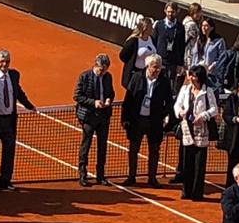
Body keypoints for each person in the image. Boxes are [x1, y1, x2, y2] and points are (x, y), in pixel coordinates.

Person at [0, 50, 33, 192]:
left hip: (9, 120)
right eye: (1, 61)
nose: (4, 64)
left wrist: (29, 105)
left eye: (7, 62)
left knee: (9, 151)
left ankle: (5, 180)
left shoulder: (14, 75)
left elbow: (18, 92)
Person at [121, 54, 174, 187]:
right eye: (154, 67)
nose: (157, 70)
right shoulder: (136, 78)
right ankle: (131, 176)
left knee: (154, 150)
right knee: (133, 149)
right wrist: (125, 119)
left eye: (159, 68)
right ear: (147, 66)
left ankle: (152, 178)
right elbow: (128, 100)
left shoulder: (164, 81)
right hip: (137, 120)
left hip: (154, 121)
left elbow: (168, 102)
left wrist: (164, 116)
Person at [173, 66, 219, 202]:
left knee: (199, 165)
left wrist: (203, 116)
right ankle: (186, 191)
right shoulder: (185, 89)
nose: (191, 78)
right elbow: (177, 105)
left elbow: (214, 109)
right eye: (190, 75)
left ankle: (197, 193)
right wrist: (180, 112)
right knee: (187, 162)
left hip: (201, 131)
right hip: (187, 129)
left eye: (194, 76)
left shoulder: (208, 91)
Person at [73, 53, 115, 186]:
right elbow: (77, 96)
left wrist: (109, 99)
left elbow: (111, 93)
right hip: (88, 116)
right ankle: (82, 174)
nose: (102, 72)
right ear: (95, 65)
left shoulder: (108, 77)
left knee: (102, 146)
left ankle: (100, 175)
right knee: (86, 145)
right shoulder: (84, 76)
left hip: (103, 116)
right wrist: (93, 102)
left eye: (105, 69)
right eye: (101, 69)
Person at [119, 16, 158, 89]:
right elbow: (123, 56)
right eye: (150, 27)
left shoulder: (151, 39)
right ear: (144, 28)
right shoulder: (133, 41)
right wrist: (131, 63)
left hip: (147, 73)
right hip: (134, 73)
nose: (152, 29)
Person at [152, 2, 185, 73]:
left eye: (172, 12)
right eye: (168, 12)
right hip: (159, 60)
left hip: (173, 63)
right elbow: (153, 41)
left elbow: (182, 46)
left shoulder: (180, 28)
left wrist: (180, 64)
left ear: (177, 12)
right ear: (165, 11)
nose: (170, 14)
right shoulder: (159, 25)